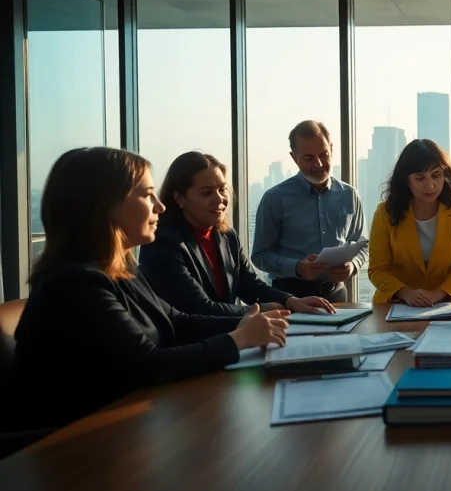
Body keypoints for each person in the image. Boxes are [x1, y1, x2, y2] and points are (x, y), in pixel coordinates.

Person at [14, 147, 288, 430]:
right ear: (106, 205)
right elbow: (147, 365)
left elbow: (175, 321)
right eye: (147, 195)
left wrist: (245, 323)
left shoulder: (120, 268)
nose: (160, 206)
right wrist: (238, 339)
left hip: (122, 428)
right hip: (70, 450)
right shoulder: (75, 284)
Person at [139, 151, 336, 316]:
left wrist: (291, 301)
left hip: (228, 338)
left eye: (222, 190)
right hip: (188, 350)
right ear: (179, 198)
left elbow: (249, 284)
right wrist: (258, 311)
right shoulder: (163, 242)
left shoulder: (226, 235)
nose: (220, 200)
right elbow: (197, 308)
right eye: (206, 193)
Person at [252, 120, 368, 301]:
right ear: (294, 157)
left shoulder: (349, 194)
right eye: (309, 158)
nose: (319, 164)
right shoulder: (275, 198)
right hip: (289, 297)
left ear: (331, 148)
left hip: (336, 296)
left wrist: (352, 265)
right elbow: (260, 256)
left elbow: (362, 245)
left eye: (324, 154)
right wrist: (297, 267)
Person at [367, 140, 451, 304]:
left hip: (444, 304)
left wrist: (440, 293)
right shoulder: (385, 212)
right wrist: (405, 293)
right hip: (395, 305)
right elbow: (377, 269)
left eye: (436, 175)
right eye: (420, 178)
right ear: (406, 180)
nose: (430, 185)